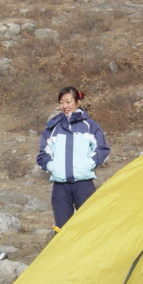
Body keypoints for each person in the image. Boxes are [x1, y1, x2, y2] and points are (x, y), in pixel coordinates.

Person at [37, 86, 110, 231]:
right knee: (62, 228)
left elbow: (102, 149)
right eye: (61, 102)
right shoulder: (52, 128)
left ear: (78, 102)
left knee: (89, 225)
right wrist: (52, 167)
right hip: (60, 186)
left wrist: (88, 164)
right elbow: (42, 155)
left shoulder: (89, 125)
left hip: (83, 184)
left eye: (68, 102)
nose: (65, 106)